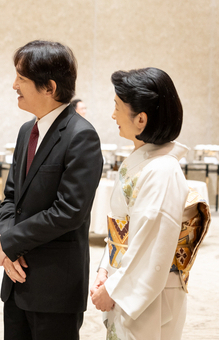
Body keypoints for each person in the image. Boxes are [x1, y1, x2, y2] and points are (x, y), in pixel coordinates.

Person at [0, 40, 103, 340]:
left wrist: (11, 242)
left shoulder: (81, 136)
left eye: (21, 78)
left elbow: (69, 211)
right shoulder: (27, 130)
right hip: (16, 278)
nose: (14, 85)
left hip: (55, 286)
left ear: (49, 87)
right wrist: (4, 247)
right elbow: (12, 197)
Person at [90, 67, 210, 340]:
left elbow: (151, 242)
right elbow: (120, 229)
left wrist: (113, 288)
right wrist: (104, 269)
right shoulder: (143, 163)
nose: (113, 115)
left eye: (117, 107)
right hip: (125, 277)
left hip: (150, 295)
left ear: (141, 119)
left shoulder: (162, 170)